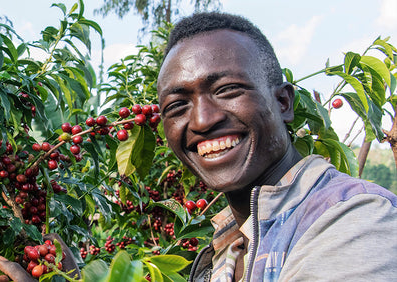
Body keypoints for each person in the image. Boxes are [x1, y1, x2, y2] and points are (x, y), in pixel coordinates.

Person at [157, 12, 397, 282]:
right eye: (177, 106)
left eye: (227, 90)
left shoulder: (356, 220)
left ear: (283, 102)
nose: (202, 121)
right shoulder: (229, 244)